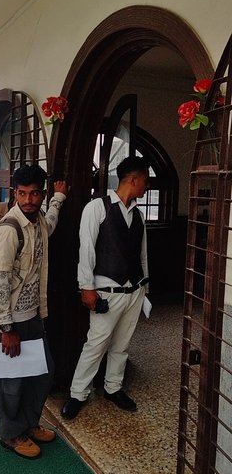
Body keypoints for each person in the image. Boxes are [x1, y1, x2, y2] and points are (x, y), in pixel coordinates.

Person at [0, 165, 67, 458]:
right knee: (10, 382)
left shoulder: (40, 221)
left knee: (40, 375)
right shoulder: (9, 230)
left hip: (33, 315)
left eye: (34, 193)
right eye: (22, 194)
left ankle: (29, 424)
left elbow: (51, 225)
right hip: (10, 322)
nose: (28, 200)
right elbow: (0, 282)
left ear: (41, 194)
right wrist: (7, 329)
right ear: (14, 193)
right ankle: (10, 434)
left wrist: (59, 198)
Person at [63, 156, 152, 420]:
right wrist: (86, 287)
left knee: (122, 345)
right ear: (133, 179)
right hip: (106, 291)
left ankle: (113, 388)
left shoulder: (139, 214)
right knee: (96, 344)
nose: (146, 187)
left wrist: (144, 287)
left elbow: (143, 254)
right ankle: (78, 393)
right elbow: (86, 250)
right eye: (145, 181)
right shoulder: (97, 207)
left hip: (134, 291)